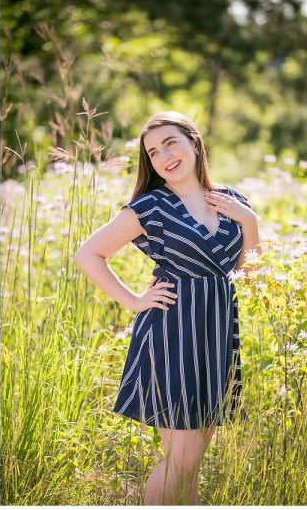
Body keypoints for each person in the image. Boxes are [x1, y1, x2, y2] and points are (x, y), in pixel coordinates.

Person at [74, 112, 261, 504]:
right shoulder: (153, 207)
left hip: (218, 335)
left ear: (194, 143)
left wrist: (251, 221)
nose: (163, 157)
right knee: (183, 458)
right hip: (172, 334)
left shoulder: (232, 201)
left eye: (170, 143)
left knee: (192, 465)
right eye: (153, 152)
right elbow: (89, 253)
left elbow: (251, 271)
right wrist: (136, 301)